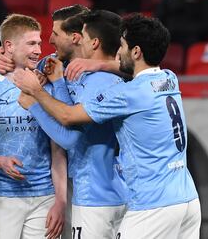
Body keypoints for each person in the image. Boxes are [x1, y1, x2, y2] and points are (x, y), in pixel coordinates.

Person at [13, 13, 201, 239]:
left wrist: (36, 93)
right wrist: (100, 63)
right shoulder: (169, 78)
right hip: (188, 199)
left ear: (136, 51)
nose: (118, 52)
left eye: (122, 46)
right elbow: (126, 69)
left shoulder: (126, 95)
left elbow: (68, 117)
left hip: (152, 204)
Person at [0, 13, 67, 239]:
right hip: (0, 197)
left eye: (39, 43)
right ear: (8, 46)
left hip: (44, 198)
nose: (38, 50)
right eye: (31, 43)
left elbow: (58, 150)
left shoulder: (47, 86)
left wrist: (60, 201)